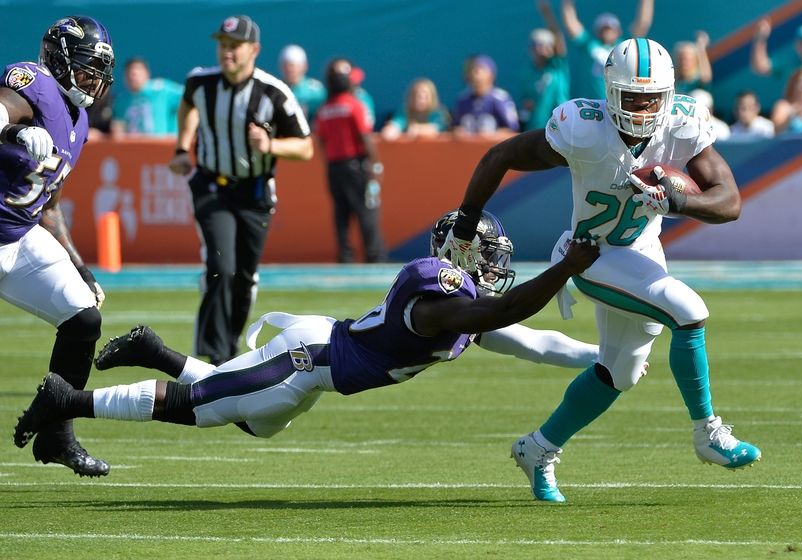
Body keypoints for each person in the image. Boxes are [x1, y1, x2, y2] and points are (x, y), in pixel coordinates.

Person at [439, 38, 761, 503]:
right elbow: (502, 155)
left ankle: (538, 448)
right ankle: (707, 431)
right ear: (610, 92)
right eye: (633, 97)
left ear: (668, 95)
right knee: (688, 310)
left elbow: (729, 200)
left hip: (643, 250)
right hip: (589, 254)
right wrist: (467, 219)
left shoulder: (682, 123)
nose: (644, 107)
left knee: (620, 372)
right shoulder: (583, 128)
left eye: (652, 97)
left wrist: (680, 201)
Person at [13, 211, 601, 451]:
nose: (496, 267)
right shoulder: (442, 300)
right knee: (205, 406)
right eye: (489, 255)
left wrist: (602, 358)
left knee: (255, 422)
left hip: (320, 370)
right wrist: (566, 268)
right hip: (309, 355)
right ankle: (71, 400)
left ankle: (154, 350)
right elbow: (503, 315)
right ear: (458, 253)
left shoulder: (465, 310)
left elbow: (536, 340)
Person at [0, 16, 115, 476]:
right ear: (61, 59)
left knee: (82, 314)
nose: (95, 79)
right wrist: (12, 132)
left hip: (19, 235)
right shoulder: (33, 83)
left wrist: (80, 266)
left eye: (100, 70)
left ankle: (55, 434)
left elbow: (50, 206)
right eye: (88, 67)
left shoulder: (79, 119)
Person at [168, 15, 314, 366]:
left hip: (255, 192)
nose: (227, 53)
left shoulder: (274, 92)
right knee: (222, 266)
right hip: (211, 185)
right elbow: (189, 105)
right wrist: (181, 147)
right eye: (223, 45)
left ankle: (229, 346)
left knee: (245, 276)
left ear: (254, 50)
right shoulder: (200, 82)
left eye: (235, 46)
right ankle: (213, 355)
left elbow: (306, 148)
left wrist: (271, 146)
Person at [314, 58, 386, 263]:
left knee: (341, 212)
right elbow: (365, 135)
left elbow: (321, 140)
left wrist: (329, 161)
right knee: (367, 209)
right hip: (356, 165)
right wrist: (376, 164)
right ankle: (374, 256)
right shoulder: (354, 105)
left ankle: (345, 255)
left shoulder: (325, 109)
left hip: (334, 167)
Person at [560, 0, 654, 99]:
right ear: (597, 32)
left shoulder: (626, 45)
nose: (607, 32)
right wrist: (567, 3)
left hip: (621, 104)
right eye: (604, 29)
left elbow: (643, 23)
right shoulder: (589, 45)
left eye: (610, 28)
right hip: (594, 106)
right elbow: (571, 24)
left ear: (618, 31)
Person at [519, 0, 570, 132]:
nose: (541, 49)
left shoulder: (557, 65)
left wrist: (547, 13)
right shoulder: (528, 73)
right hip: (534, 131)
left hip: (560, 130)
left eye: (546, 45)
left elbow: (558, 38)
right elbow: (527, 103)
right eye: (538, 45)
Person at [111, 57, 183, 137]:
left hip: (161, 146)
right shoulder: (121, 101)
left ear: (147, 74)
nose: (133, 77)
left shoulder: (161, 90)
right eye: (129, 74)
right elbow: (119, 128)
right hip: (133, 147)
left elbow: (188, 98)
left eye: (136, 73)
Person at [453, 55, 520, 139]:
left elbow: (513, 131)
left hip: (495, 150)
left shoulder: (500, 98)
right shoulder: (462, 99)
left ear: (491, 75)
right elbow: (455, 128)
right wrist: (458, 132)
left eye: (480, 69)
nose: (476, 74)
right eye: (473, 70)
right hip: (467, 150)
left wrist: (492, 136)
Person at [380, 78, 451, 140]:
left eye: (425, 97)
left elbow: (435, 129)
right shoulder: (405, 111)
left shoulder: (439, 113)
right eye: (416, 96)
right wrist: (391, 130)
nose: (420, 100)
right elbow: (397, 124)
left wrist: (417, 130)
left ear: (432, 98)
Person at [278, 44, 326, 123]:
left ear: (304, 66)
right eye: (286, 65)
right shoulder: (276, 89)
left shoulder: (317, 90)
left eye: (293, 65)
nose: (290, 69)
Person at [673, 31, 713, 96]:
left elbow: (706, 77)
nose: (684, 63)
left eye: (688, 60)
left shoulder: (697, 81)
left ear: (695, 61)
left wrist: (701, 48)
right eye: (682, 59)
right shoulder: (674, 81)